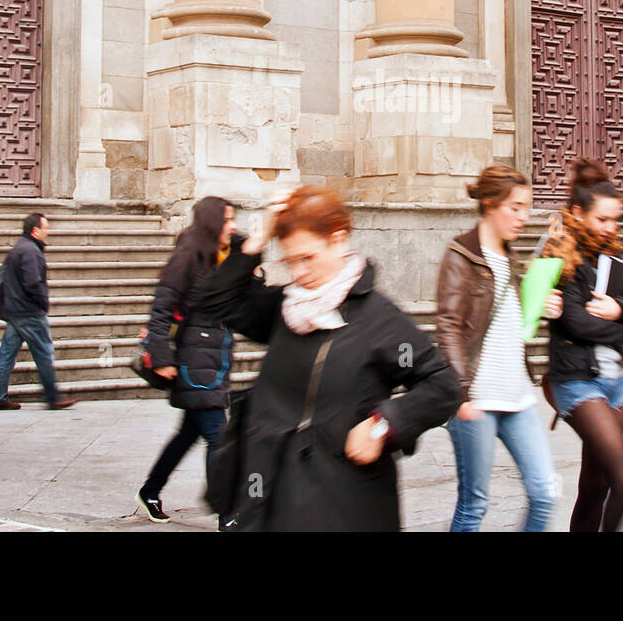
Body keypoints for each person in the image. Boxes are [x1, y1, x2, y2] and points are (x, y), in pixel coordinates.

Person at [197, 186, 460, 531]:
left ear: (338, 240)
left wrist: (384, 425)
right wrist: (261, 235)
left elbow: (441, 383)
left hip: (340, 503)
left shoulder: (378, 320)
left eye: (308, 257)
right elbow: (217, 303)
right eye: (290, 261)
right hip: (267, 493)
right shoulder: (285, 309)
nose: (299, 272)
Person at [436, 165, 560, 532]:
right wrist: (461, 395)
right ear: (490, 204)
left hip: (518, 395)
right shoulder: (461, 255)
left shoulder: (511, 256)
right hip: (477, 400)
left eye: (527, 208)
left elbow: (506, 318)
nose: (524, 217)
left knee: (545, 493)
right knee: (474, 504)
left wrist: (541, 303)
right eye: (516, 207)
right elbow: (448, 326)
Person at [539, 159, 623, 532]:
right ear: (578, 214)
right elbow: (575, 323)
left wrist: (618, 309)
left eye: (615, 220)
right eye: (603, 220)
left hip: (615, 382)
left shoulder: (611, 254)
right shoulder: (560, 257)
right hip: (577, 380)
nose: (611, 228)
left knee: (594, 486)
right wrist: (617, 322)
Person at [136, 197, 238, 523]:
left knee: (188, 435)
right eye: (228, 220)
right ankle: (228, 515)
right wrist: (162, 358)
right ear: (212, 223)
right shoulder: (188, 258)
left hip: (212, 357)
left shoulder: (217, 258)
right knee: (218, 437)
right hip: (196, 360)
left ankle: (150, 490)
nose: (233, 227)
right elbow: (161, 309)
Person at [0, 213, 77, 410]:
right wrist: (43, 303)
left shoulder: (19, 247)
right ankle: (53, 396)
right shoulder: (31, 251)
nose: (48, 231)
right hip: (29, 312)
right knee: (44, 353)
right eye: (46, 227)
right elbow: (33, 282)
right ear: (35, 230)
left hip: (15, 310)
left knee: (7, 355)